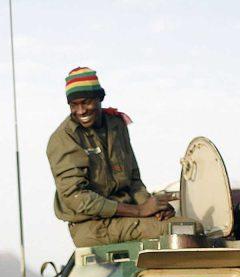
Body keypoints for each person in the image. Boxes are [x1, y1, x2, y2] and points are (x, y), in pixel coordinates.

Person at [46, 67, 173, 248]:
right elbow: (77, 199)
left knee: (181, 223)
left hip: (125, 216)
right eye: (74, 105)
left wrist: (154, 207)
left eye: (86, 102)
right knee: (180, 230)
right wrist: (139, 210)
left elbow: (133, 180)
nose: (80, 110)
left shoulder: (116, 124)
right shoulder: (65, 138)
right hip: (92, 226)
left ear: (100, 98)